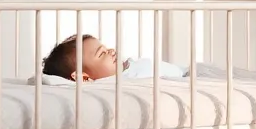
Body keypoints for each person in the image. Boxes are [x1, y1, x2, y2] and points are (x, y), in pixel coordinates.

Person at [41, 34, 187, 82]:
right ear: (83, 77)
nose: (110, 51)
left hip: (186, 71)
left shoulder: (125, 68)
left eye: (105, 48)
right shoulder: (112, 85)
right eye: (101, 53)